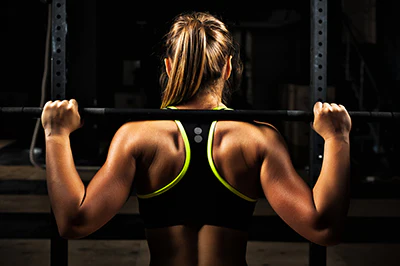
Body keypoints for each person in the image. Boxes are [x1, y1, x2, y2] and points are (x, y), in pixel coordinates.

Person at [41, 11, 352, 266]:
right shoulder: (258, 139)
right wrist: (336, 137)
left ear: (168, 66)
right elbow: (324, 229)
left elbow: (74, 223)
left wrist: (56, 134)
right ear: (228, 68)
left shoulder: (136, 137)